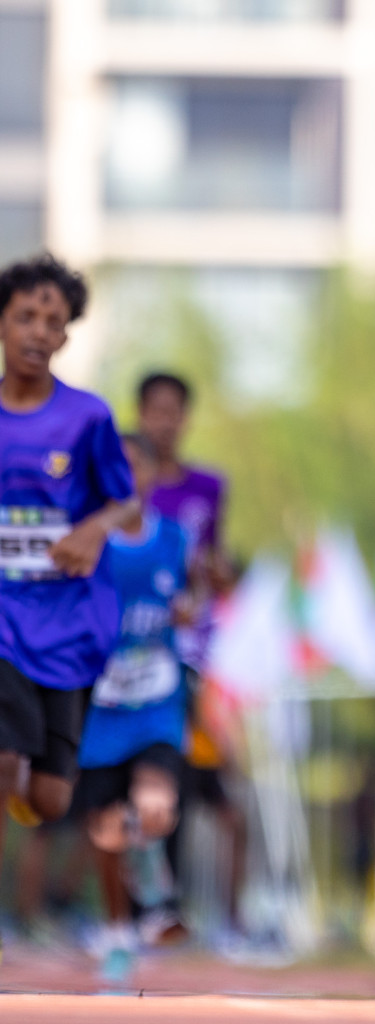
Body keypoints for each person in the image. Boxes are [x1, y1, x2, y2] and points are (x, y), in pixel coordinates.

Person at [0, 254, 138, 962]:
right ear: (2, 322)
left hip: (71, 628)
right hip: (3, 623)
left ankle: (30, 788)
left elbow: (127, 498)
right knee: (4, 756)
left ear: (65, 337)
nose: (37, 330)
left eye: (53, 321)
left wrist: (91, 529)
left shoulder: (87, 418)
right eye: (25, 315)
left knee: (49, 799)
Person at [73, 432, 193, 980]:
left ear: (150, 475)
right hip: (101, 705)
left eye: (136, 466)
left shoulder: (173, 538)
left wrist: (190, 609)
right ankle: (121, 928)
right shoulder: (88, 544)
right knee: (106, 831)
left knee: (155, 806)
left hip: (157, 702)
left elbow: (187, 599)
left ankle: (150, 878)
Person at [136, 371, 246, 942]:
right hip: (137, 661)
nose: (165, 421)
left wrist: (217, 576)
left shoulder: (207, 487)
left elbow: (220, 568)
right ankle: (149, 908)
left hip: (196, 660)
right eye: (155, 409)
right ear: (140, 414)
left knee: (207, 788)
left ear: (186, 417)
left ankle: (219, 917)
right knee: (156, 785)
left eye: (174, 410)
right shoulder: (123, 487)